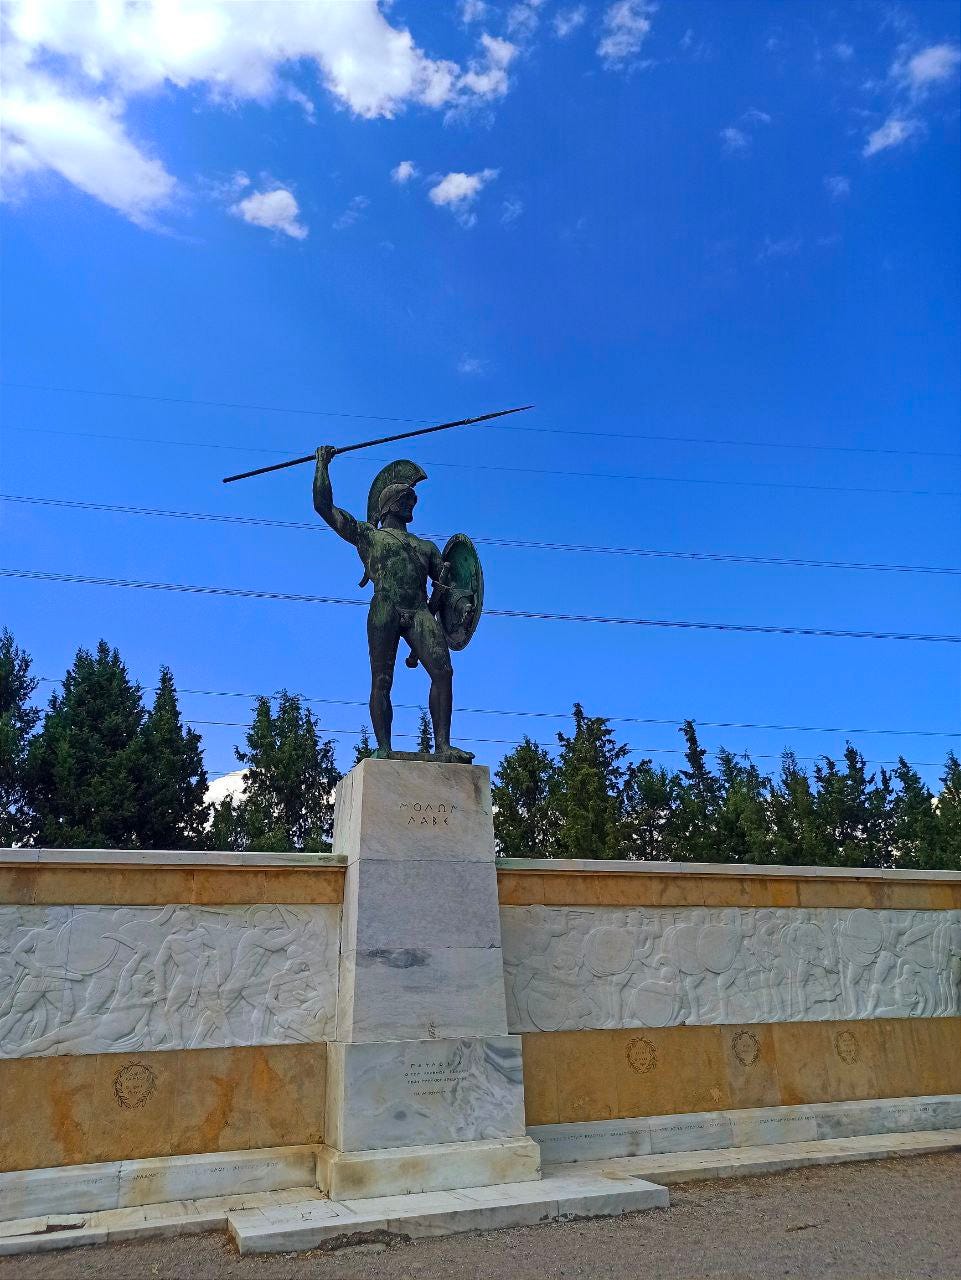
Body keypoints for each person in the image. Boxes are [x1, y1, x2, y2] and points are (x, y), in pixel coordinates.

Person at [313, 445, 472, 762]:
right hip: (385, 608)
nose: (411, 505)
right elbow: (324, 507)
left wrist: (452, 594)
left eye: (413, 501)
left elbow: (448, 591)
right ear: (389, 506)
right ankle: (384, 747)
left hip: (418, 611)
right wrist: (322, 464)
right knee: (382, 681)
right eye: (406, 501)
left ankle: (443, 745)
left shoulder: (425, 546)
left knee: (443, 672)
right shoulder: (368, 535)